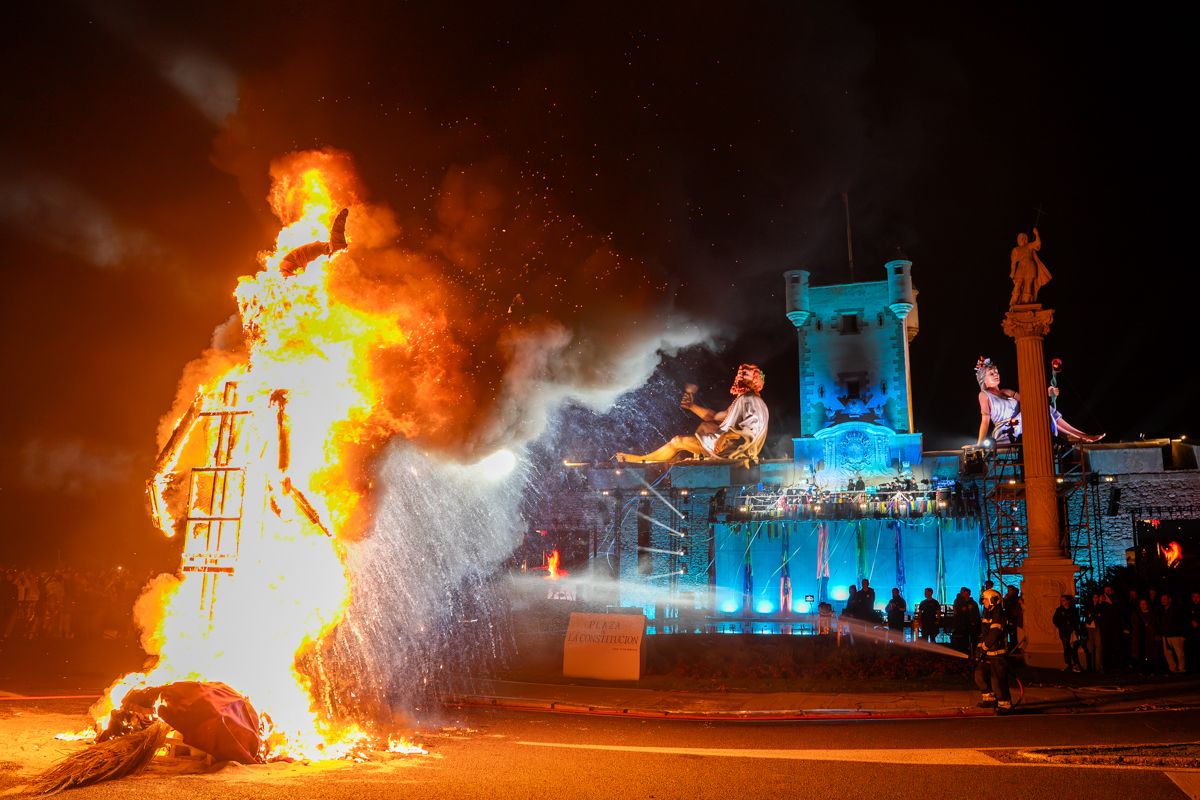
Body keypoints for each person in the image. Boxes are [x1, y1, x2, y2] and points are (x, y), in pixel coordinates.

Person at [617, 364, 769, 463]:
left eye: (746, 374)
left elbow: (751, 429)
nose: (741, 375)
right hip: (722, 442)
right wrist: (691, 406)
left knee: (677, 442)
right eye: (740, 372)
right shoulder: (742, 399)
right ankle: (644, 460)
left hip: (728, 448)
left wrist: (726, 436)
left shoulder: (750, 400)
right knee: (680, 441)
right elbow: (715, 418)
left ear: (755, 379)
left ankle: (641, 460)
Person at [974, 357, 1103, 446]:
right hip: (1006, 429)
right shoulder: (984, 395)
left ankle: (1081, 435)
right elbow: (985, 420)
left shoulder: (1007, 391)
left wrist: (1046, 393)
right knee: (1039, 407)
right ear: (983, 380)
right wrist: (980, 444)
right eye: (991, 373)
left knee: (1042, 407)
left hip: (1021, 423)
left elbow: (1030, 400)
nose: (996, 374)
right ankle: (1080, 436)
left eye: (997, 372)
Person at [975, 589, 1012, 713]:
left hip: (997, 652)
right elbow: (984, 633)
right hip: (987, 652)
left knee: (998, 680)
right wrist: (979, 648)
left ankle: (1005, 704)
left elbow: (994, 633)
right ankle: (989, 699)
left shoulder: (999, 614)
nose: (983, 601)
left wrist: (984, 647)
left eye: (985, 599)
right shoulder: (987, 613)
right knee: (979, 675)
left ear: (993, 600)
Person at [1009, 226, 1051, 306]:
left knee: (1028, 285)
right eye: (1020, 238)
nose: (1021, 239)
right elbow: (1013, 263)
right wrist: (1012, 272)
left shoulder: (1029, 246)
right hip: (1020, 268)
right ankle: (1014, 300)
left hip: (1030, 267)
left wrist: (1037, 234)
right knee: (1018, 285)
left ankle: (1026, 302)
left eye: (1023, 238)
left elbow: (1038, 243)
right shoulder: (1016, 250)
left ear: (1025, 239)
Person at [1130, 598, 1161, 673]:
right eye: (1141, 604)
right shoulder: (1136, 615)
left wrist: (1156, 634)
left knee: (1152, 655)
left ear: (1147, 604)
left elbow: (1157, 625)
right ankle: (1143, 670)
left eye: (1144, 604)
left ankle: (1152, 670)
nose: (1143, 605)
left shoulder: (1152, 614)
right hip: (1141, 638)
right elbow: (1134, 627)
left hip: (1151, 637)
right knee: (1141, 654)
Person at [1052, 595, 1082, 672]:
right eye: (1061, 600)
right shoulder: (1059, 610)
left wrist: (1074, 628)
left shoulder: (1073, 610)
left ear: (1068, 601)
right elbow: (1055, 620)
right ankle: (1068, 664)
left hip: (1071, 631)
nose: (1062, 602)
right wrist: (1061, 625)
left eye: (1064, 600)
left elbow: (1077, 620)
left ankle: (1075, 664)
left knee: (1072, 648)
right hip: (1063, 631)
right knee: (1066, 647)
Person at [1159, 593, 1187, 674]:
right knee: (1168, 654)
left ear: (1169, 599)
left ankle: (1182, 669)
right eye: (1162, 599)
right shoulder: (1161, 610)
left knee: (1179, 654)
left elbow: (1183, 621)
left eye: (1165, 599)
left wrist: (1183, 635)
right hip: (1165, 635)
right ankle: (1172, 669)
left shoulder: (1176, 609)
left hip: (1176, 635)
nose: (1163, 601)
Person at [951, 587, 982, 655]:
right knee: (964, 640)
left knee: (973, 639)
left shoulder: (973, 603)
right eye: (964, 593)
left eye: (967, 593)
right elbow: (956, 612)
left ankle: (973, 652)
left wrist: (975, 622)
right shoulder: (959, 602)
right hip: (963, 624)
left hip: (972, 624)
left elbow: (976, 614)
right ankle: (965, 652)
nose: (966, 595)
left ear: (969, 594)